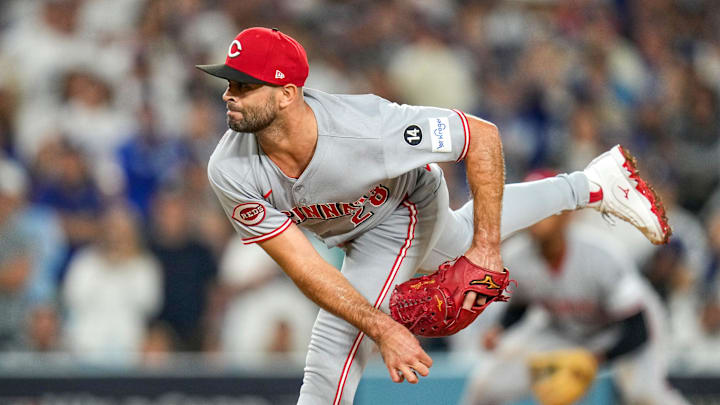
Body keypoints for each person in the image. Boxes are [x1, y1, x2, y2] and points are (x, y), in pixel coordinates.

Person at [197, 27, 670, 404]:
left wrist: (487, 253)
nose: (228, 94)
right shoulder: (230, 168)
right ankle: (593, 183)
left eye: (244, 84)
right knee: (462, 232)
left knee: (336, 339)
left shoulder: (367, 130)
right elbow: (304, 266)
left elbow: (479, 135)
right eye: (228, 82)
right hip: (352, 232)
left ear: (286, 94)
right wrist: (385, 325)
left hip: (403, 205)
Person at [459, 171, 688, 405]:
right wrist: (500, 329)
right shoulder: (517, 256)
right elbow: (521, 304)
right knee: (487, 385)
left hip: (623, 330)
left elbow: (637, 327)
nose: (533, 214)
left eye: (542, 206)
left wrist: (595, 358)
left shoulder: (601, 255)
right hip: (563, 329)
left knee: (645, 395)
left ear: (566, 214)